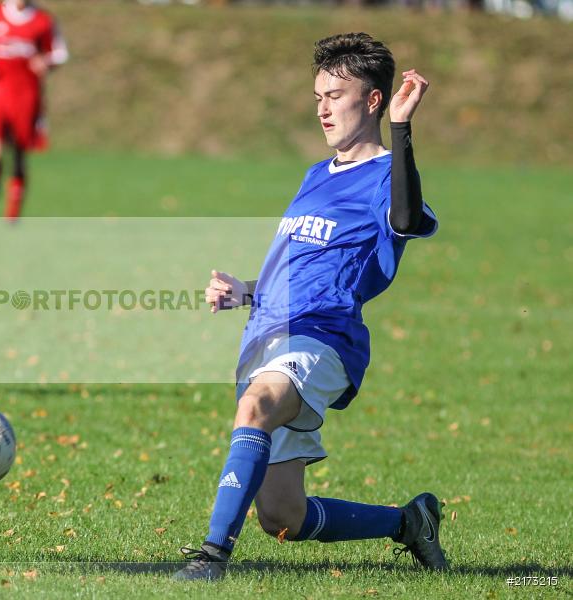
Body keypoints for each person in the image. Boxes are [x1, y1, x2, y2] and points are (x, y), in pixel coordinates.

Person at [173, 33, 446, 581]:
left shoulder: (385, 180)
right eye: (317, 95)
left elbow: (409, 219)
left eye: (334, 95)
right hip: (268, 334)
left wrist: (402, 128)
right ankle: (408, 524)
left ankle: (208, 560)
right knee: (282, 517)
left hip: (322, 339)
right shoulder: (317, 175)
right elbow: (304, 270)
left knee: (256, 406)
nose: (321, 108)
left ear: (372, 100)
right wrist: (245, 291)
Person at [0, 0, 68, 221]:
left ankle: (12, 215)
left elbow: (60, 53)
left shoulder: (43, 20)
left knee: (18, 154)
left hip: (26, 95)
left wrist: (46, 62)